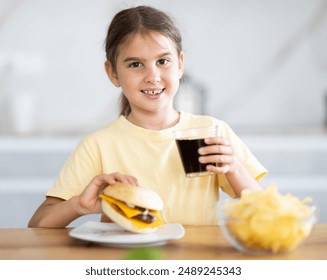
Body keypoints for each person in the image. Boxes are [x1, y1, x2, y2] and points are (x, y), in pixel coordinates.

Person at [28, 5, 267, 228]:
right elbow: (37, 223)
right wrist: (78, 204)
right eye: (135, 64)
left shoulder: (212, 132)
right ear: (112, 73)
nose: (152, 76)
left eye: (163, 61)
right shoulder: (99, 145)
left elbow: (265, 212)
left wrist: (234, 168)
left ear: (180, 64)